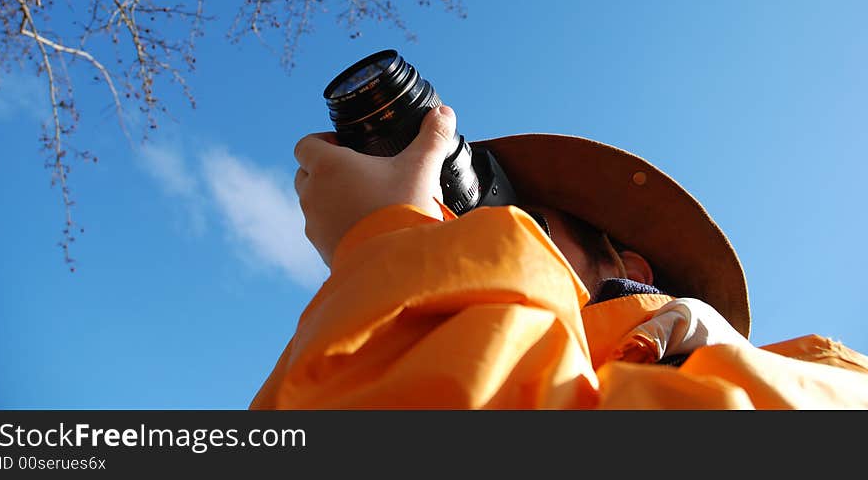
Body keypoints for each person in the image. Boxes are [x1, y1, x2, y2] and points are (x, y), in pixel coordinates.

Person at [250, 105, 868, 409]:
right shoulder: (352, 326)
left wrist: (393, 242)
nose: (464, 241)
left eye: (518, 227)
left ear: (630, 272)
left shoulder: (828, 389)